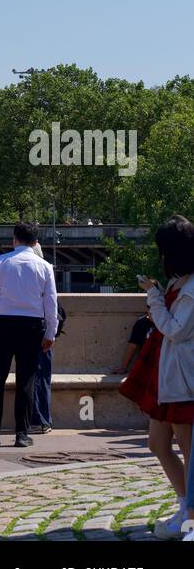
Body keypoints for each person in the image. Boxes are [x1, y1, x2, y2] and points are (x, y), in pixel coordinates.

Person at [120, 216, 194, 539]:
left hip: (181, 378)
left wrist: (152, 295)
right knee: (157, 443)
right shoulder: (181, 282)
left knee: (187, 449)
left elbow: (176, 329)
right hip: (168, 375)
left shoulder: (191, 287)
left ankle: (189, 515)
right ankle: (184, 506)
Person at [0, 222, 58, 448]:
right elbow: (50, 303)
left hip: (4, 324)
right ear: (35, 242)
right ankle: (22, 434)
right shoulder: (44, 267)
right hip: (33, 326)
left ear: (15, 239)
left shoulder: (0, 262)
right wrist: (50, 333)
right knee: (26, 380)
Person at [30, 240, 56, 434]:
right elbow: (52, 306)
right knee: (42, 376)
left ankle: (35, 418)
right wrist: (51, 332)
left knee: (30, 375)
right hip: (42, 328)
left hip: (23, 327)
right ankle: (43, 419)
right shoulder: (45, 271)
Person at [113, 305, 154, 375]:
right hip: (148, 362)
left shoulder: (167, 323)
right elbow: (132, 346)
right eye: (150, 309)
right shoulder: (141, 323)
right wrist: (123, 367)